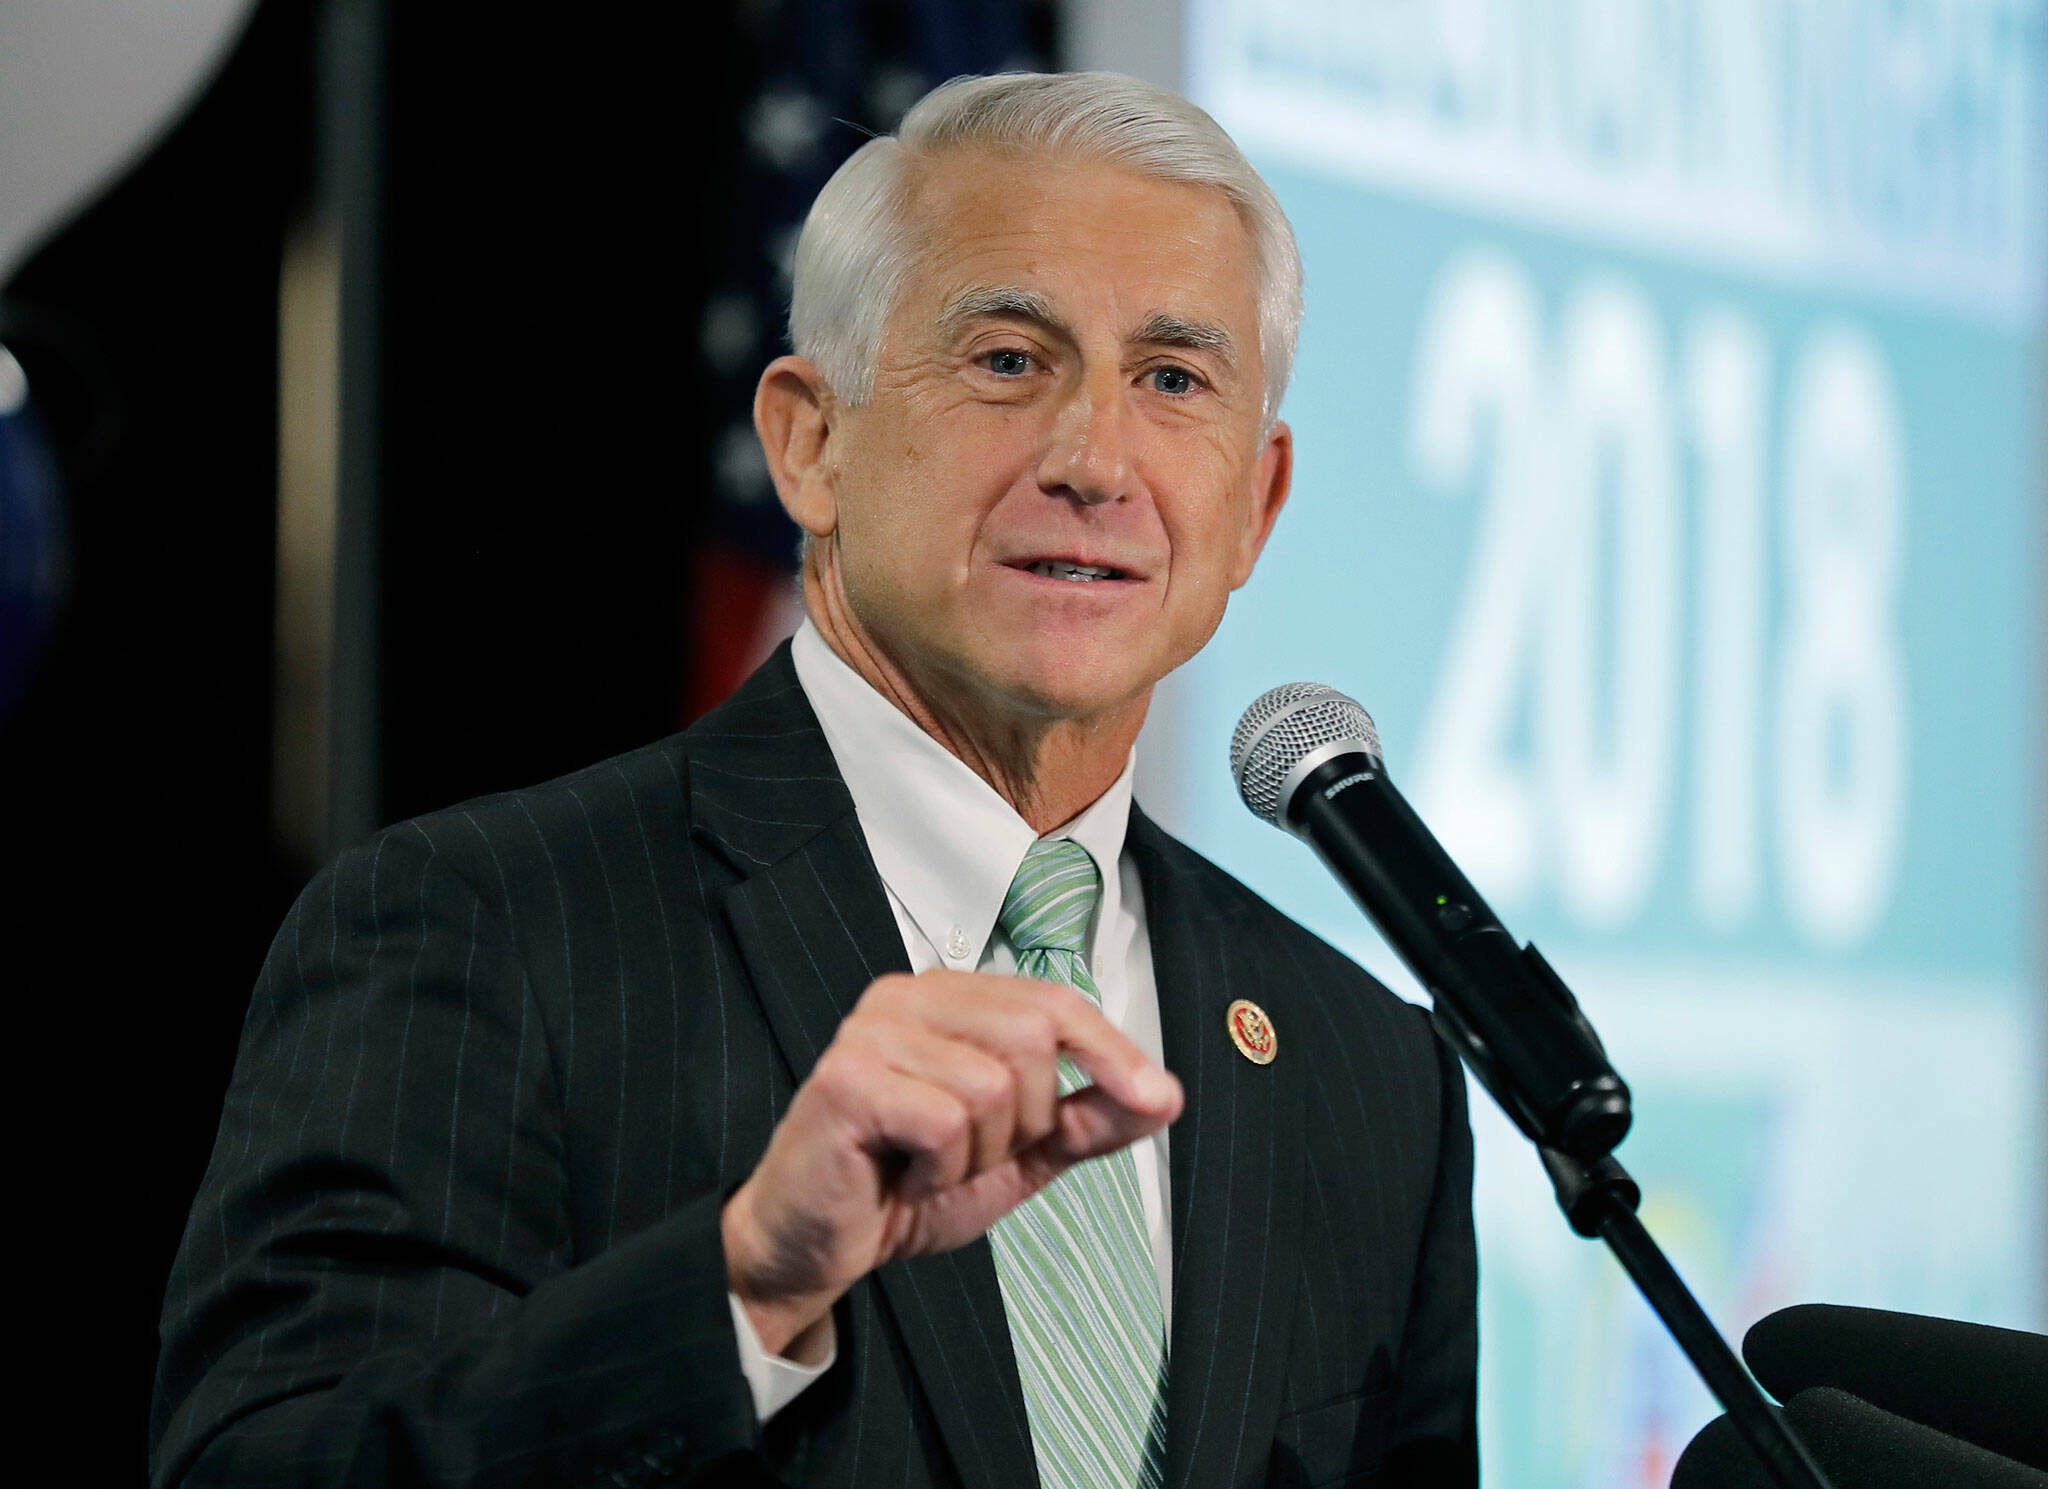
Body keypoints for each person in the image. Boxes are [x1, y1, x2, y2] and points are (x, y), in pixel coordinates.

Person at [151, 72, 1477, 1489]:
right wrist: (741, 1290)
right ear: (809, 439)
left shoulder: (1368, 1074)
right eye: (1008, 359)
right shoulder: (483, 926)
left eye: (1172, 380)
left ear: (1256, 501)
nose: (1096, 459)